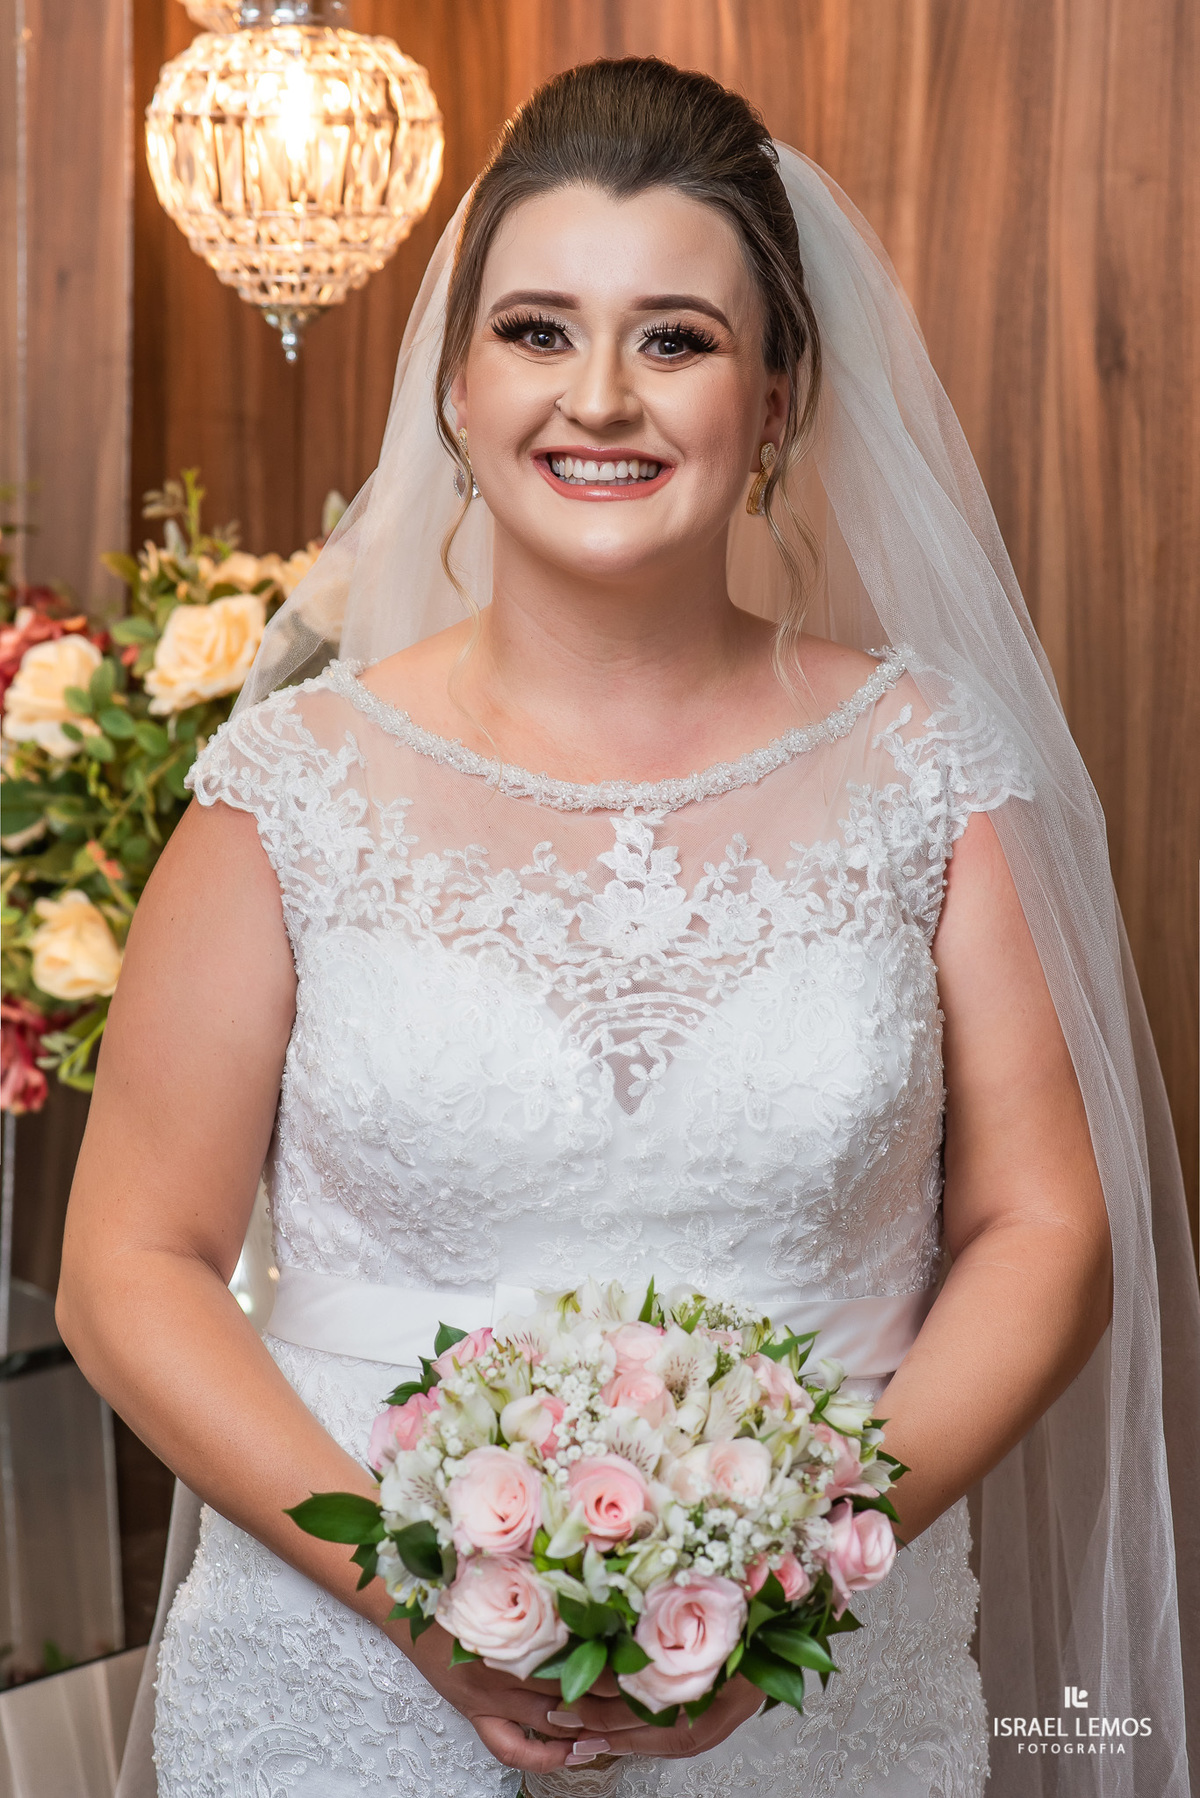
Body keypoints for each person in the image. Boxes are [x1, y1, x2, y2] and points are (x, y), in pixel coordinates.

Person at [57, 57, 1197, 1798]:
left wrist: (797, 1570)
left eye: (675, 337)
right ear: (454, 385)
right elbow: (128, 1266)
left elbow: (1047, 1226)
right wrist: (414, 1594)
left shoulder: (930, 767)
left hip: (816, 1680)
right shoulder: (284, 786)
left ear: (780, 395)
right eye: (536, 331)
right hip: (346, 1673)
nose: (600, 396)